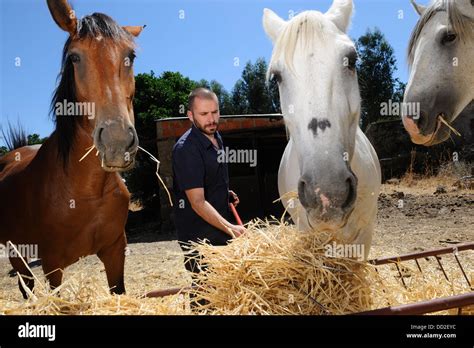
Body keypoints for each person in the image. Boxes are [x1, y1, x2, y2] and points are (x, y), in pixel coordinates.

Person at [172, 87, 246, 281]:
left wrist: (224, 192)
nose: (211, 119)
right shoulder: (186, 149)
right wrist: (231, 228)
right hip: (199, 239)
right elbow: (197, 201)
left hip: (219, 230)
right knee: (206, 296)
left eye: (215, 112)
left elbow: (207, 178)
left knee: (229, 289)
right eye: (204, 114)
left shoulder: (216, 137)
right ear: (190, 115)